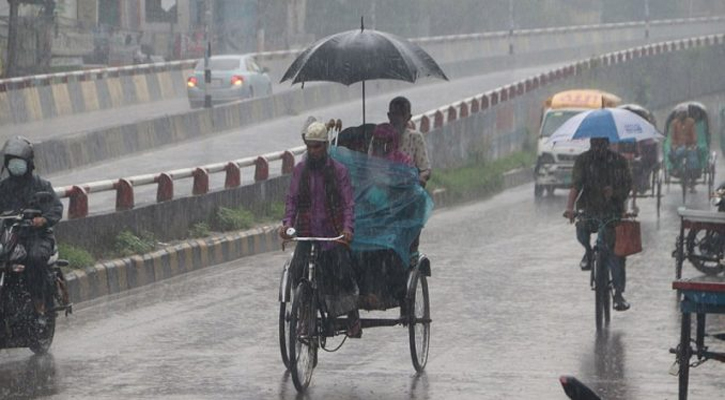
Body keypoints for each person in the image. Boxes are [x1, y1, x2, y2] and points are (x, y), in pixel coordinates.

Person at [279, 122, 362, 337]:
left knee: (342, 272)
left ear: (325, 146)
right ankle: (305, 314)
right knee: (297, 271)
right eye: (310, 147)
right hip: (307, 232)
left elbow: (347, 204)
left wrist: (347, 229)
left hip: (332, 234)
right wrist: (287, 224)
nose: (313, 151)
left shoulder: (338, 171)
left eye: (317, 147)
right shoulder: (300, 171)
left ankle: (352, 314)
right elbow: (292, 201)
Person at [563, 136, 633, 311]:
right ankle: (588, 251)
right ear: (591, 144)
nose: (598, 148)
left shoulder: (620, 162)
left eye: (601, 144)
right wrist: (570, 208)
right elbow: (575, 186)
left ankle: (618, 293)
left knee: (616, 254)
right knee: (581, 229)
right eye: (595, 144)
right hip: (589, 210)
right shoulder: (583, 161)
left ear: (607, 144)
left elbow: (627, 187)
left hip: (612, 214)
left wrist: (614, 192)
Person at [0, 137, 63, 323]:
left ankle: (39, 304)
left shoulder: (41, 185)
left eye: (18, 162)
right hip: (9, 236)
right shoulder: (3, 188)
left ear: (28, 163)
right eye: (11, 162)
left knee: (34, 258)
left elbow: (56, 208)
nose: (15, 166)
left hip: (37, 237)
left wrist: (42, 219)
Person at [383, 97, 431, 266]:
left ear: (408, 116)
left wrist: (418, 181)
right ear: (388, 116)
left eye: (400, 115)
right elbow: (371, 166)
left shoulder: (415, 138)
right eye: (393, 115)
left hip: (408, 192)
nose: (396, 119)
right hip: (384, 191)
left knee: (415, 203)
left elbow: (425, 168)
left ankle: (410, 249)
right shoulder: (381, 137)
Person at [669, 110, 699, 192]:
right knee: (672, 154)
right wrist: (674, 145)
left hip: (689, 146)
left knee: (693, 162)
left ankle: (693, 183)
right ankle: (676, 168)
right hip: (678, 146)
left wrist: (693, 144)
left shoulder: (691, 122)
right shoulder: (674, 123)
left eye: (683, 114)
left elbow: (694, 135)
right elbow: (673, 137)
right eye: (679, 114)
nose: (681, 115)